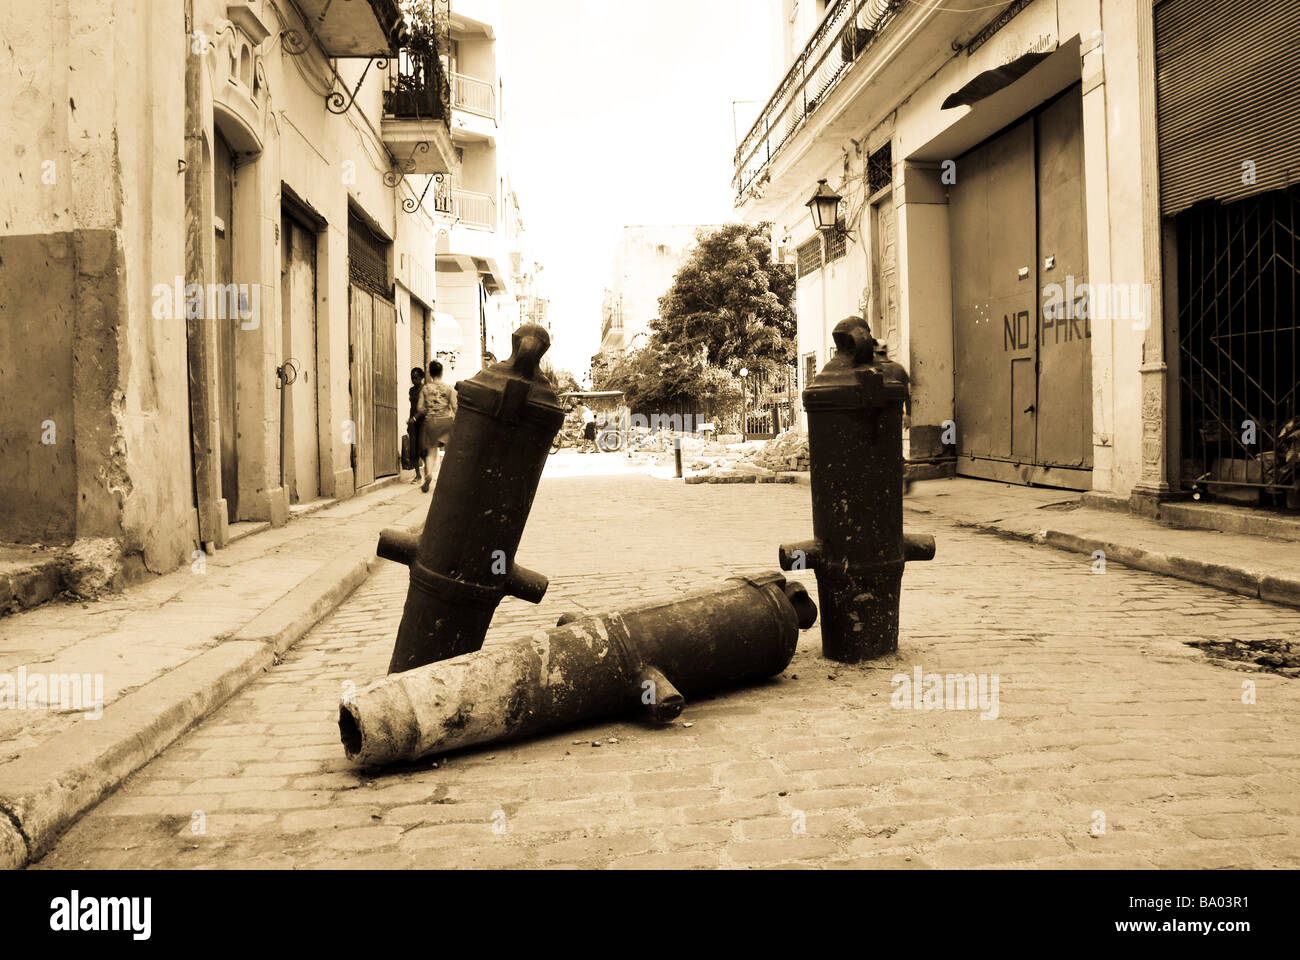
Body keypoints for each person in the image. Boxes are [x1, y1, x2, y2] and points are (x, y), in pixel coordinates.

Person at [417, 360, 457, 493]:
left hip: (431, 422)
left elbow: (420, 408)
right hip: (446, 421)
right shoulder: (448, 388)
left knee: (431, 451)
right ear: (442, 372)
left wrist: (428, 410)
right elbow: (454, 406)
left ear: (430, 373)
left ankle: (428, 474)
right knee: (449, 451)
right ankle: (447, 479)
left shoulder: (425, 388)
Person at [407, 368, 426, 484]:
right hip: (413, 422)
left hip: (423, 422)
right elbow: (412, 407)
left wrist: (415, 417)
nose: (414, 380)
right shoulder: (411, 390)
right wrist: (411, 420)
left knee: (422, 449)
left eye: (416, 377)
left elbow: (425, 408)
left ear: (421, 377)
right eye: (412, 377)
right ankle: (418, 475)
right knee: (413, 450)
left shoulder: (425, 390)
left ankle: (427, 472)